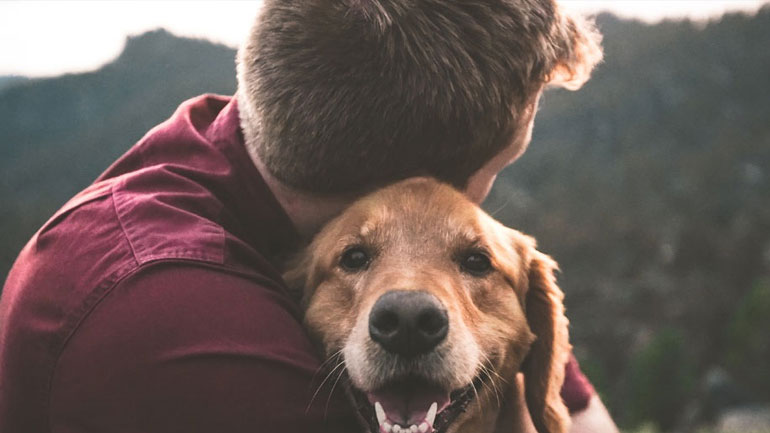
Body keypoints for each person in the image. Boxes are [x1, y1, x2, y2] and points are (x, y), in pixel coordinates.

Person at [0, 1, 614, 432]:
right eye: (497, 168)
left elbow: (575, 414)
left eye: (471, 256)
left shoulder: (230, 143)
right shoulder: (182, 328)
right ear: (413, 183)